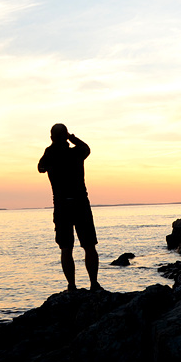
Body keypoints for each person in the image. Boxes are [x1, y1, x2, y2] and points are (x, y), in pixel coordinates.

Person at [37, 123, 102, 292]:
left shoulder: (50, 154)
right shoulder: (76, 152)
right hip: (80, 204)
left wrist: (53, 148)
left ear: (51, 138)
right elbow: (86, 148)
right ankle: (93, 284)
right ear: (66, 136)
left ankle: (72, 286)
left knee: (66, 248)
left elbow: (40, 168)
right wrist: (72, 138)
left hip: (62, 206)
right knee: (89, 246)